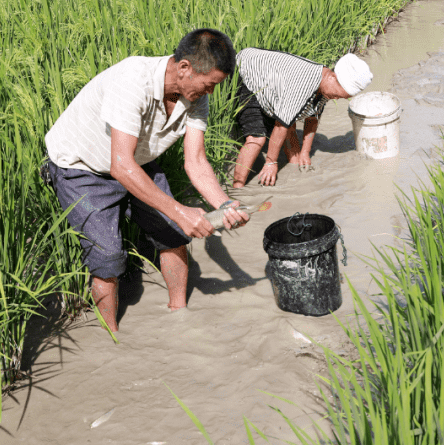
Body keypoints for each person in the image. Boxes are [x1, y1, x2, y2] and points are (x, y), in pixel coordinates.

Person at [41, 29, 249, 332]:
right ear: (184, 68)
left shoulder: (194, 94)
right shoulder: (132, 81)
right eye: (210, 85)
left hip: (135, 159)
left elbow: (196, 161)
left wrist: (224, 204)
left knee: (175, 233)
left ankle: (180, 316)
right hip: (82, 167)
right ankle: (112, 340)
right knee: (108, 256)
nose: (211, 93)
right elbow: (120, 166)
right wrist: (179, 210)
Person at [232, 49, 373, 188]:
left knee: (292, 127)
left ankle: (294, 172)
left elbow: (313, 118)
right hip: (247, 72)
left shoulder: (326, 86)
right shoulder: (303, 84)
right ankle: (237, 189)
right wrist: (270, 162)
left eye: (339, 97)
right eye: (336, 95)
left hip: (272, 80)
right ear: (332, 77)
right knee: (257, 138)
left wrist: (305, 153)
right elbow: (281, 125)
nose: (335, 98)